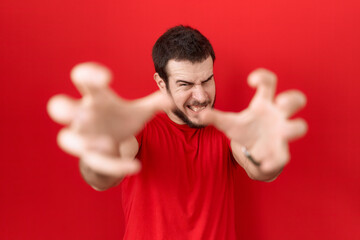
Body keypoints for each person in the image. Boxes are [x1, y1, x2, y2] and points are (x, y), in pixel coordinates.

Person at [47, 25, 307, 239]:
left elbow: (258, 168)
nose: (201, 95)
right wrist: (100, 150)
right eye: (185, 84)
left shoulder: (229, 128)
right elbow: (102, 177)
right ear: (161, 83)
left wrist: (263, 154)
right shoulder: (140, 130)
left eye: (207, 80)